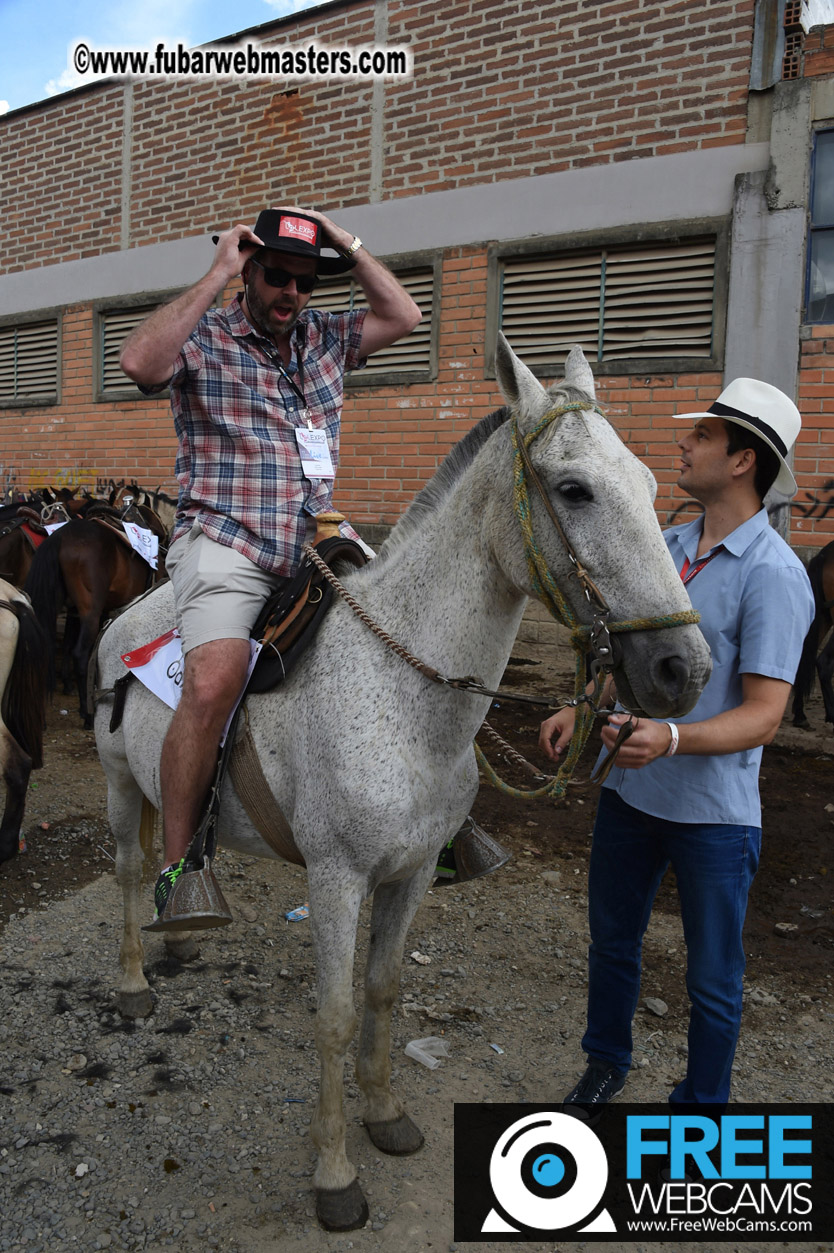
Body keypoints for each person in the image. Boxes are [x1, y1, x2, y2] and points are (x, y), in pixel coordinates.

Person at [120, 206, 505, 930]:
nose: (291, 291)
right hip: (227, 542)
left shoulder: (327, 337)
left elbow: (407, 314)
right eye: (277, 275)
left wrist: (347, 246)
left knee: (424, 634)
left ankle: (446, 824)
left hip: (318, 538)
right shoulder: (203, 336)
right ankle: (180, 870)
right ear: (250, 270)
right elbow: (138, 362)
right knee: (212, 680)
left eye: (304, 280)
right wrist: (215, 275)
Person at [539, 377, 815, 1114]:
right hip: (631, 795)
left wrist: (667, 738)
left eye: (703, 435)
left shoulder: (776, 574)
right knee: (612, 944)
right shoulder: (667, 546)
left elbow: (763, 716)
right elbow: (622, 660)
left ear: (741, 462)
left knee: (713, 976)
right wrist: (583, 705)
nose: (682, 444)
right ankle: (605, 1064)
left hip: (714, 816)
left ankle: (703, 1103)